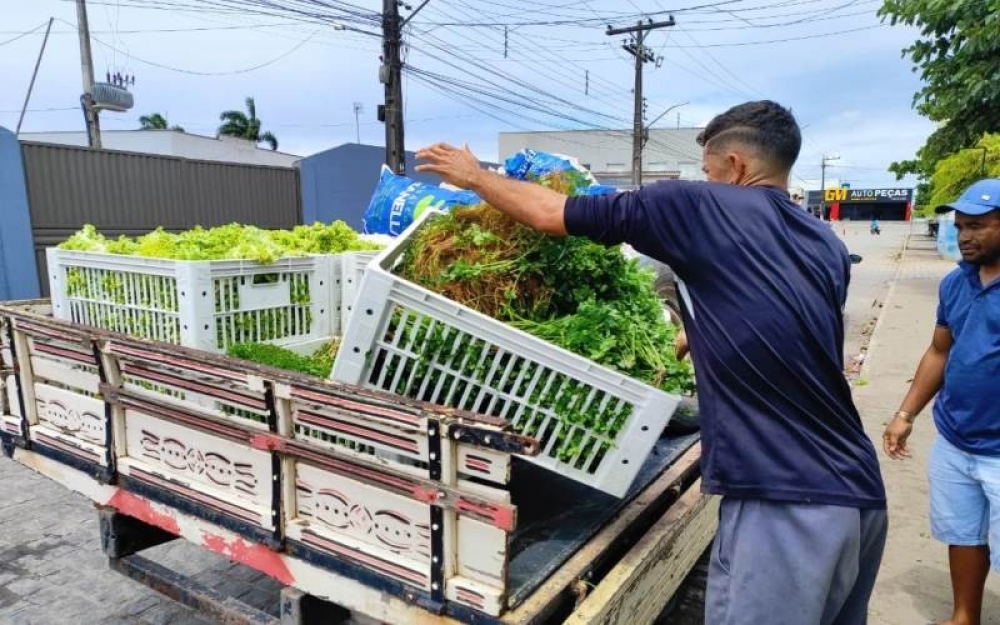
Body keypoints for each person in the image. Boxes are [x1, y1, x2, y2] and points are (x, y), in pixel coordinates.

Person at [416, 100, 886, 625]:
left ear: (734, 166)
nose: (704, 180)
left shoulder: (699, 207)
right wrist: (696, 332)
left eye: (708, 171)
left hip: (784, 500)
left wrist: (475, 177)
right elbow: (784, 318)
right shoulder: (823, 241)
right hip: (859, 493)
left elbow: (551, 213)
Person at [883, 179, 1000, 625]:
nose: (964, 236)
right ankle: (964, 615)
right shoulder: (956, 283)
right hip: (955, 439)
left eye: (978, 227)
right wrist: (904, 414)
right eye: (960, 225)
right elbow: (939, 350)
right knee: (964, 533)